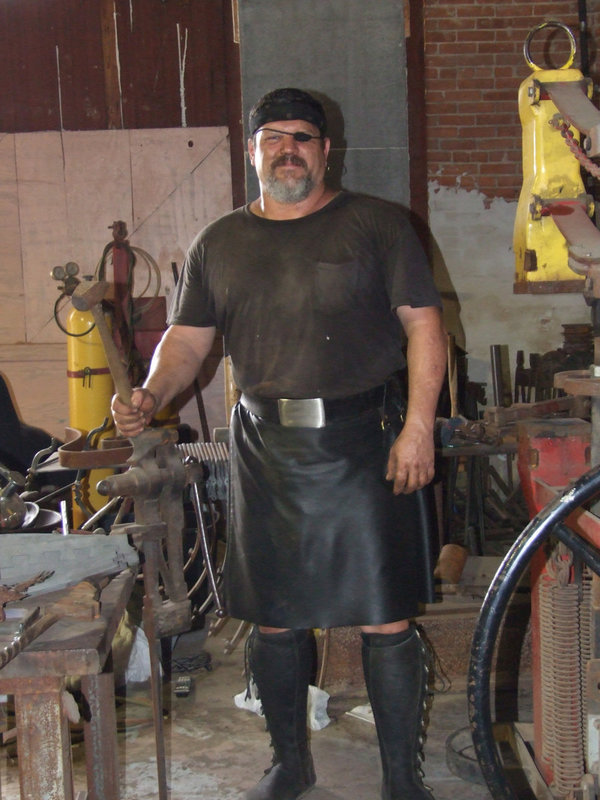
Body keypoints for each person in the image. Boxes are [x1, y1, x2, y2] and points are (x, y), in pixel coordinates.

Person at [112, 87, 447, 800]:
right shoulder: (220, 242)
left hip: (367, 442)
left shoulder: (379, 226)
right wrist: (151, 394)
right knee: (274, 618)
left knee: (385, 617)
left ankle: (401, 780)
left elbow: (423, 326)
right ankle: (289, 765)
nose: (287, 149)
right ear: (254, 151)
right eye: (273, 138)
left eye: (301, 137)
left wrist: (419, 426)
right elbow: (188, 342)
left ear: (327, 151)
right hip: (266, 448)